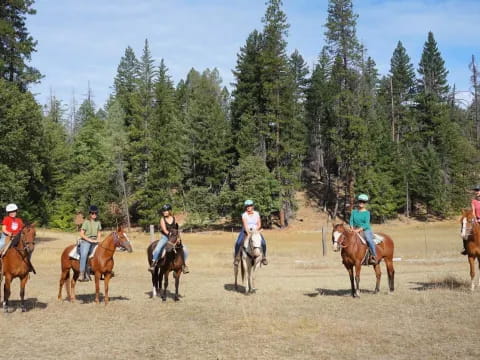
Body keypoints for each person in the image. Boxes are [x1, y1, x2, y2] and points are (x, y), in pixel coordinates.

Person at [149, 204, 189, 274]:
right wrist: (170, 234)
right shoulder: (162, 219)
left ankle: (183, 265)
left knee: (185, 250)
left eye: (166, 211)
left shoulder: (174, 218)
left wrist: (178, 238)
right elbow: (164, 230)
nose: (164, 212)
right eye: (163, 211)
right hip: (165, 237)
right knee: (158, 249)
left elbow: (177, 229)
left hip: (174, 237)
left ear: (169, 211)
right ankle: (153, 264)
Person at [233, 200, 268, 265]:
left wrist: (255, 230)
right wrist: (248, 232)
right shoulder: (244, 215)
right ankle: (237, 258)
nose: (248, 207)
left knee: (263, 242)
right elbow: (245, 225)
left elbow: (259, 224)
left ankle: (264, 257)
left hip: (255, 230)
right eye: (247, 206)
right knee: (238, 242)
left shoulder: (256, 214)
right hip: (246, 230)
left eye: (249, 206)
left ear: (252, 206)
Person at [349, 194, 377, 265]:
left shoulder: (367, 213)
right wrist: (352, 228)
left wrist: (358, 230)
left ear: (365, 203)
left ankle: (373, 255)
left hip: (365, 230)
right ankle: (346, 257)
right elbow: (351, 220)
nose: (361, 203)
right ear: (358, 202)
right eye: (360, 201)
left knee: (368, 239)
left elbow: (366, 224)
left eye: (363, 202)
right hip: (354, 229)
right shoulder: (354, 212)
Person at [78, 205, 102, 282]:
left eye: (95, 213)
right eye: (92, 213)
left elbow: (99, 232)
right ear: (90, 214)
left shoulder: (98, 223)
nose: (94, 214)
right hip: (86, 241)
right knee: (84, 254)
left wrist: (98, 240)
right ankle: (81, 273)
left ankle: (103, 270)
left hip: (95, 241)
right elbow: (81, 234)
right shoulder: (86, 222)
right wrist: (89, 240)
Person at [463, 185, 480, 255]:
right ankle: (466, 248)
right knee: (465, 232)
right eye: (476, 190)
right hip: (476, 220)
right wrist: (475, 219)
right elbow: (473, 212)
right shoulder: (473, 201)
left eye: (478, 190)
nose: (476, 192)